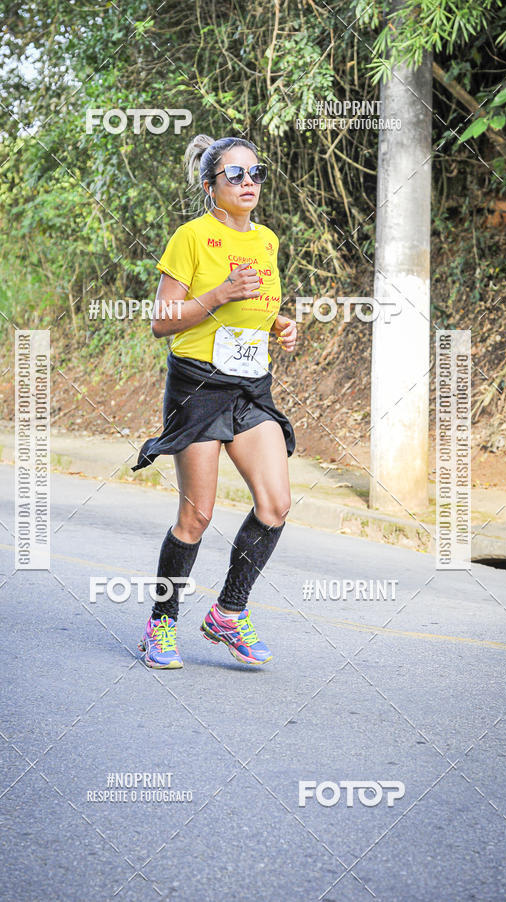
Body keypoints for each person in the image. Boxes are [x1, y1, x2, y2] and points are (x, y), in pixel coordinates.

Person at [132, 134, 297, 669]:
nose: (248, 183)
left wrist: (279, 323)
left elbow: (255, 308)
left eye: (256, 173)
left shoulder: (268, 240)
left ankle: (229, 611)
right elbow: (163, 321)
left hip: (251, 387)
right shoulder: (191, 238)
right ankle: (161, 625)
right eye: (235, 175)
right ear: (210, 187)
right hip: (198, 386)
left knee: (274, 506)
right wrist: (218, 294)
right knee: (196, 517)